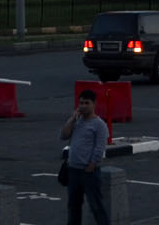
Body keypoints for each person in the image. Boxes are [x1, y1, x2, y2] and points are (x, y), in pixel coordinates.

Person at [60, 89, 111, 225]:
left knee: (96, 206)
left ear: (94, 104)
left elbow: (99, 148)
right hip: (73, 171)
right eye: (81, 103)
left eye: (86, 103)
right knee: (73, 207)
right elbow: (63, 135)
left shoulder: (99, 124)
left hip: (89, 172)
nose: (82, 106)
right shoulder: (76, 121)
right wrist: (72, 119)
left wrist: (91, 166)